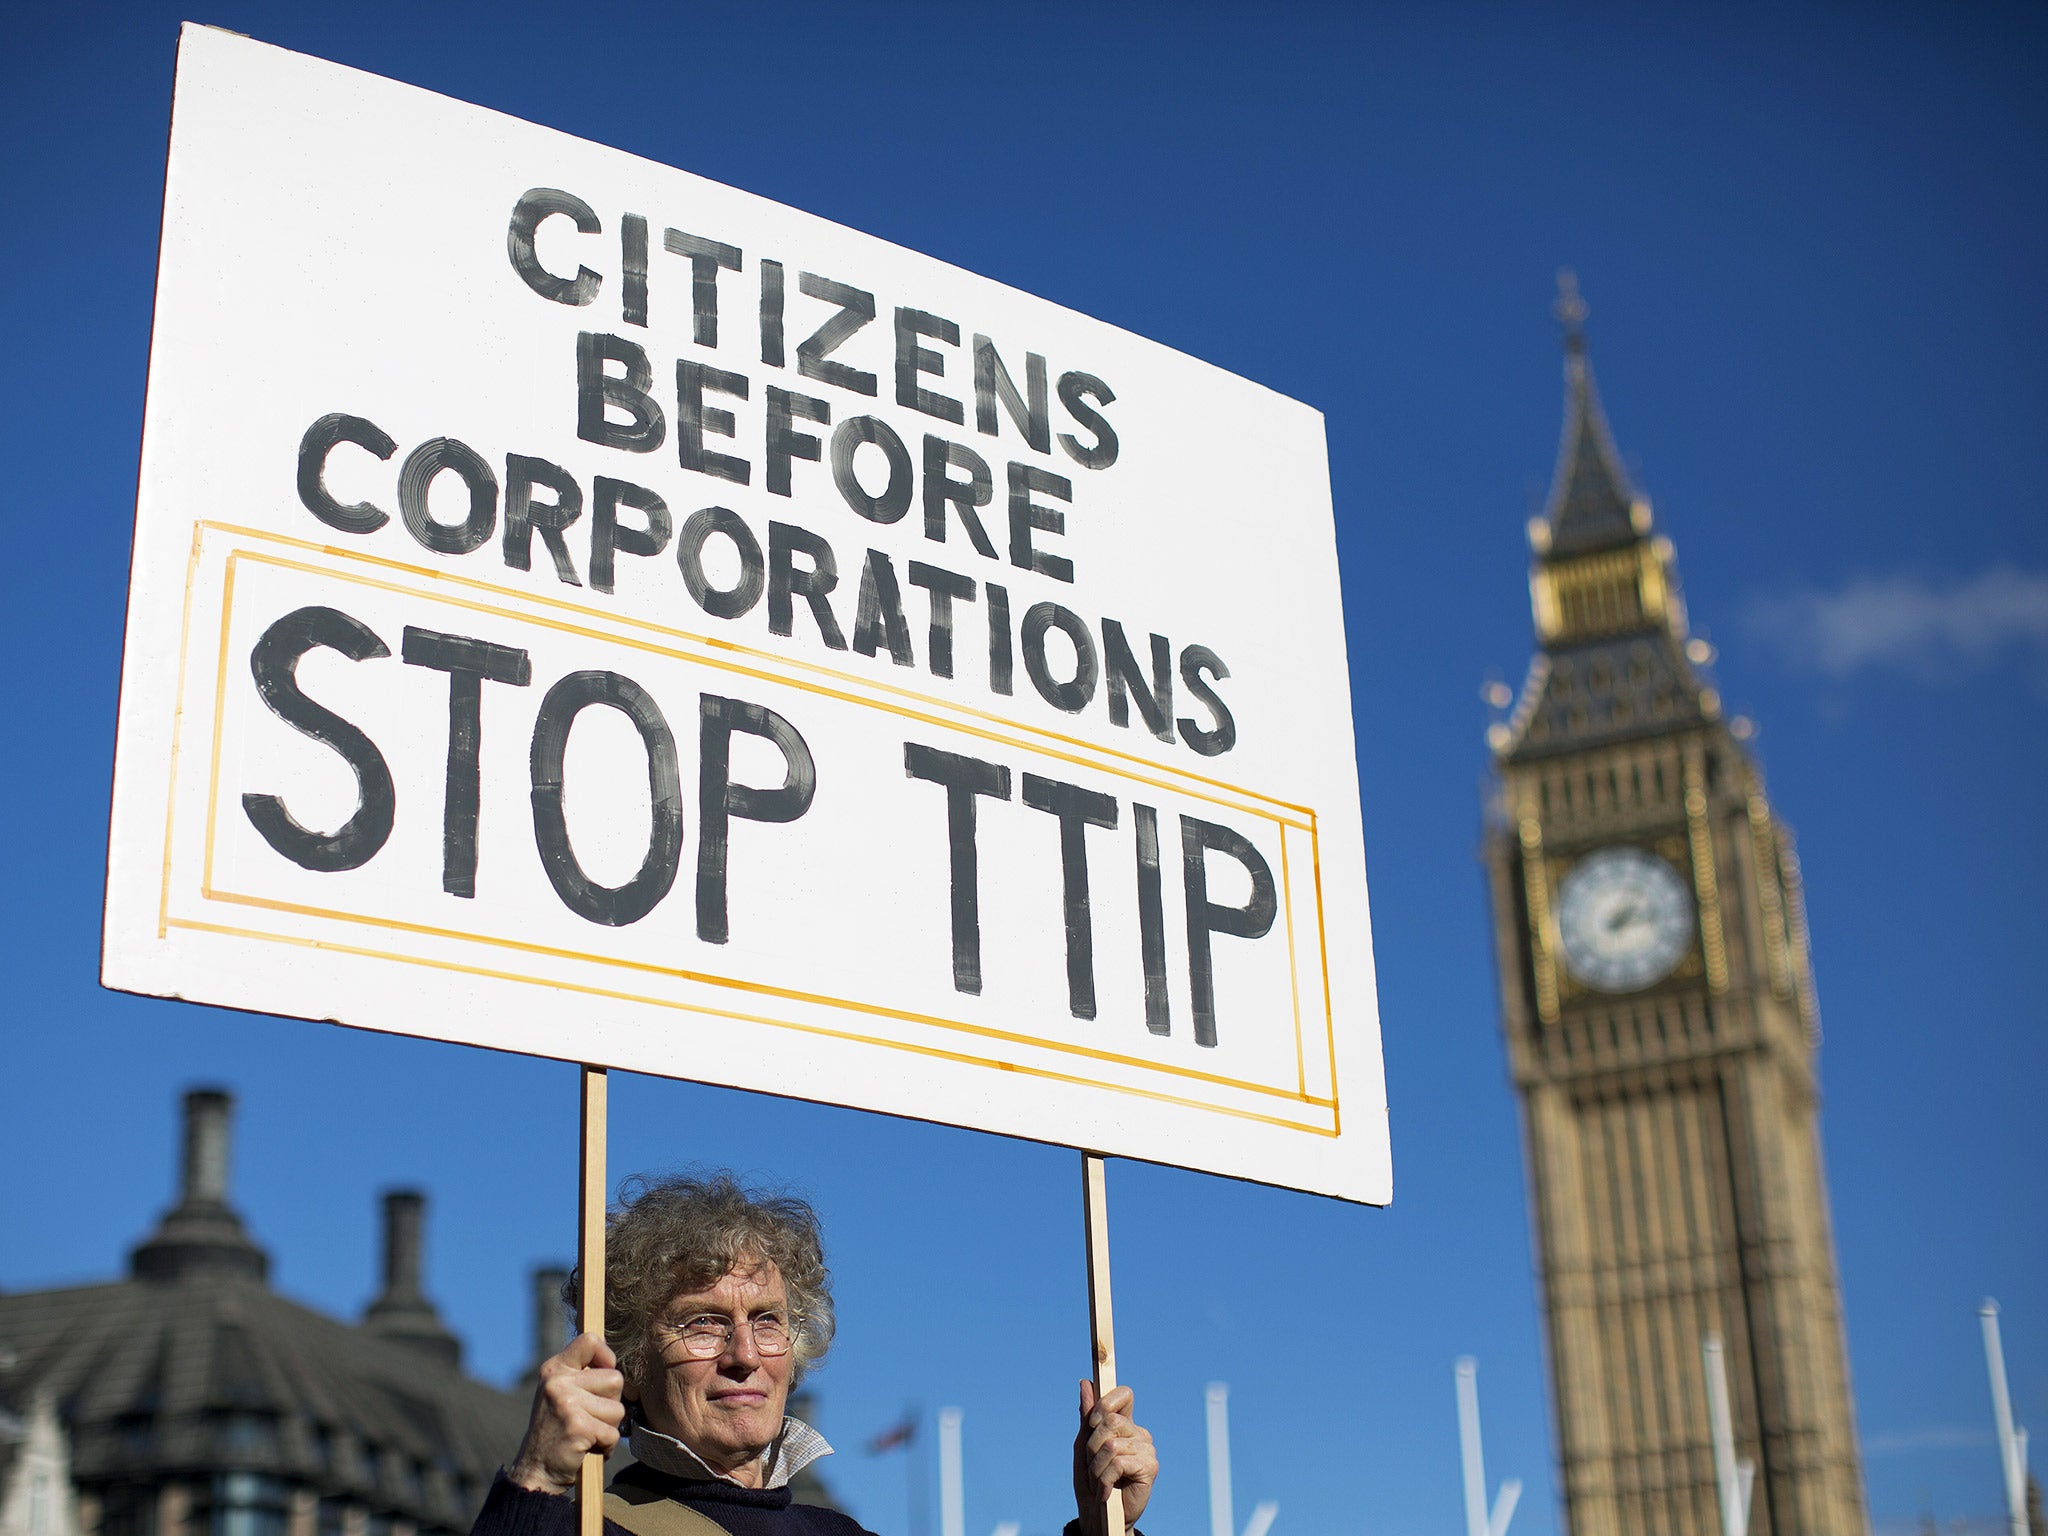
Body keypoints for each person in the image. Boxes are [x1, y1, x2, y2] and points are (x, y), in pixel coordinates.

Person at [472, 1172, 1157, 1536]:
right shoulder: (589, 1529)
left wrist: (1105, 1529)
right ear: (630, 1360)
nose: (744, 1354)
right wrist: (534, 1480)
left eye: (767, 1321)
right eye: (703, 1324)